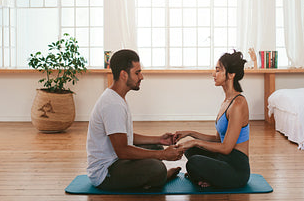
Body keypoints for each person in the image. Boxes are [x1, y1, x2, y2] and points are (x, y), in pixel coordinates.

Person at [86, 49, 183, 190]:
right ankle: (159, 177)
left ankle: (150, 180)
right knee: (157, 168)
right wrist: (163, 155)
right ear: (124, 75)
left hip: (117, 161)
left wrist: (159, 140)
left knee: (155, 147)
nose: (141, 77)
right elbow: (123, 151)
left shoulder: (116, 97)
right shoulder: (112, 104)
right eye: (137, 73)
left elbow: (124, 136)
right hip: (106, 173)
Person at [174, 51, 250, 188]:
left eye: (218, 70)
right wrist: (190, 133)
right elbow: (218, 140)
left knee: (193, 162)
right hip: (224, 159)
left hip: (236, 169)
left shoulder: (238, 104)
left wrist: (194, 142)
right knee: (191, 150)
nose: (214, 74)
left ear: (231, 75)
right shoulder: (226, 101)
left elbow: (226, 148)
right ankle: (204, 178)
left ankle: (205, 177)